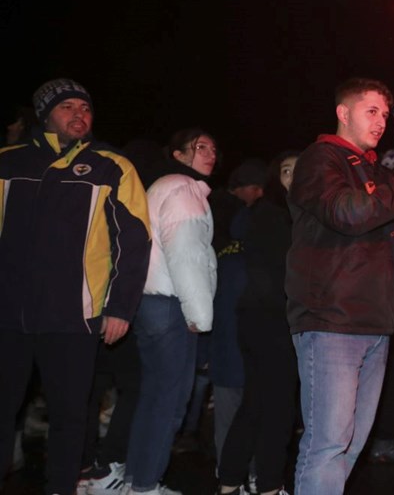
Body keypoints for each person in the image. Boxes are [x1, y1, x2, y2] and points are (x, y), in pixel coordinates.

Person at [285, 77, 394, 495]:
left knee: (351, 446)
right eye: (371, 111)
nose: (382, 121)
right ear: (343, 113)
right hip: (331, 318)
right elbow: (347, 213)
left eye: (385, 114)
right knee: (328, 443)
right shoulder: (320, 160)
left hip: (375, 321)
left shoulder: (376, 170)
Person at [0, 78, 152, 495]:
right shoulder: (8, 162)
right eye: (67, 107)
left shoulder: (111, 166)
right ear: (46, 114)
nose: (78, 114)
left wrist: (121, 307)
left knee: (71, 414)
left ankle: (62, 488)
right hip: (8, 315)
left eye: (84, 108)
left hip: (73, 317)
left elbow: (135, 241)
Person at [125, 127, 221, 495]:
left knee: (153, 397)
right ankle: (146, 484)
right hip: (169, 304)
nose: (210, 153)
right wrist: (200, 316)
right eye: (200, 147)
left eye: (214, 148)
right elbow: (187, 255)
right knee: (170, 402)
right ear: (178, 155)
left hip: (151, 302)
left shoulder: (166, 186)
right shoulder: (183, 189)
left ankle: (137, 479)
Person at [218, 150, 302, 495]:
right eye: (286, 170)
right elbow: (271, 275)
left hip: (264, 319)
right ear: (273, 179)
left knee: (255, 404)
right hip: (272, 321)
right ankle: (268, 485)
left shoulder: (293, 214)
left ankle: (229, 482)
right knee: (277, 409)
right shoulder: (275, 215)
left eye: (300, 170)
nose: (293, 177)